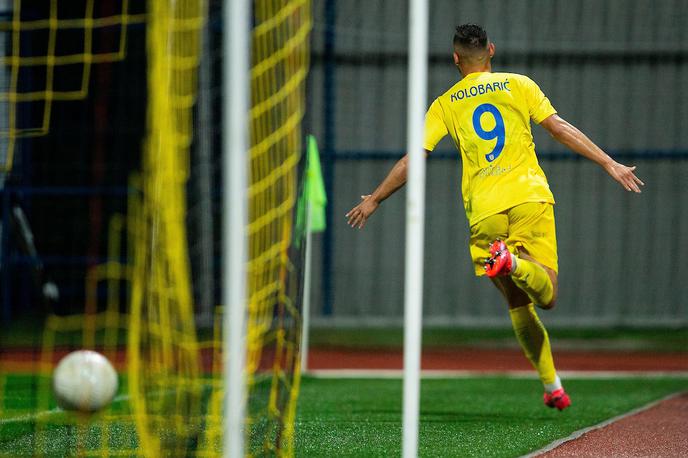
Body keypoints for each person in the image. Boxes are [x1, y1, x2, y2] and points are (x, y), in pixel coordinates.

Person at [345, 23, 644, 410]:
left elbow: (414, 159)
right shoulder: (518, 84)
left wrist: (376, 199)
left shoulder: (445, 104)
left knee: (518, 302)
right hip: (528, 198)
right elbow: (558, 128)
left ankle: (552, 386)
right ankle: (515, 263)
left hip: (484, 213)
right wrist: (609, 163)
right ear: (492, 51)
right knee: (547, 294)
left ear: (455, 59)